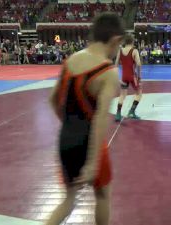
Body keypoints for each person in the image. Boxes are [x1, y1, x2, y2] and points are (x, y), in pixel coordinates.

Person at [45, 13, 125, 225]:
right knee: (102, 195)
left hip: (66, 139)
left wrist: (71, 126)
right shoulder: (108, 71)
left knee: (68, 202)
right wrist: (91, 162)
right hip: (90, 143)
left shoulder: (70, 61)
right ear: (115, 40)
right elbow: (100, 119)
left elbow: (53, 100)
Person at [115, 34, 142, 121]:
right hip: (132, 76)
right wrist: (139, 76)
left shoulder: (120, 50)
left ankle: (118, 114)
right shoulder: (134, 51)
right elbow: (138, 64)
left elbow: (116, 64)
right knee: (139, 93)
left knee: (122, 95)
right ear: (132, 41)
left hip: (123, 76)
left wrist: (117, 77)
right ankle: (131, 111)